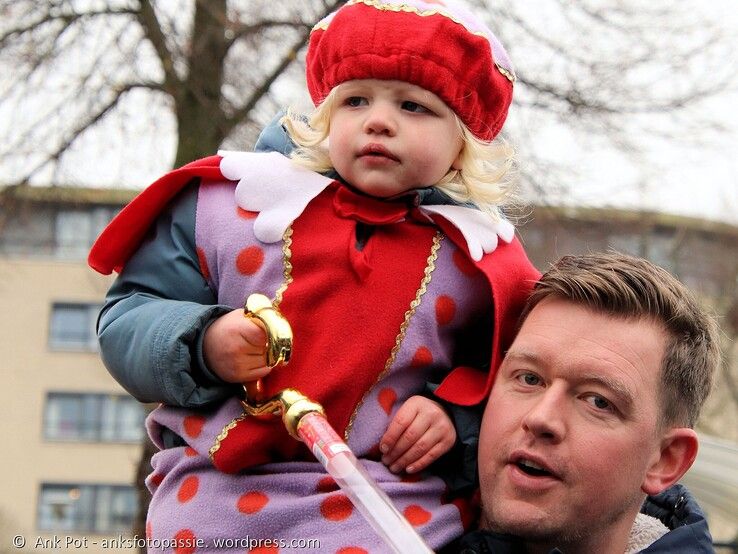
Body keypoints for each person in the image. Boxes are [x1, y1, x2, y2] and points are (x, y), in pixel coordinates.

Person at [88, 0, 540, 550]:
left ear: (462, 144)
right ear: (326, 118)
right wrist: (200, 343)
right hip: (215, 497)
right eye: (355, 100)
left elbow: (523, 374)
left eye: (414, 106)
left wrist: (454, 414)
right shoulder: (231, 206)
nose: (378, 119)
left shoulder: (483, 258)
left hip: (389, 505)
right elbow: (129, 316)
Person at [452, 253, 718, 553]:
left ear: (665, 460)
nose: (541, 418)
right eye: (528, 378)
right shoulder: (395, 519)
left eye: (598, 401)